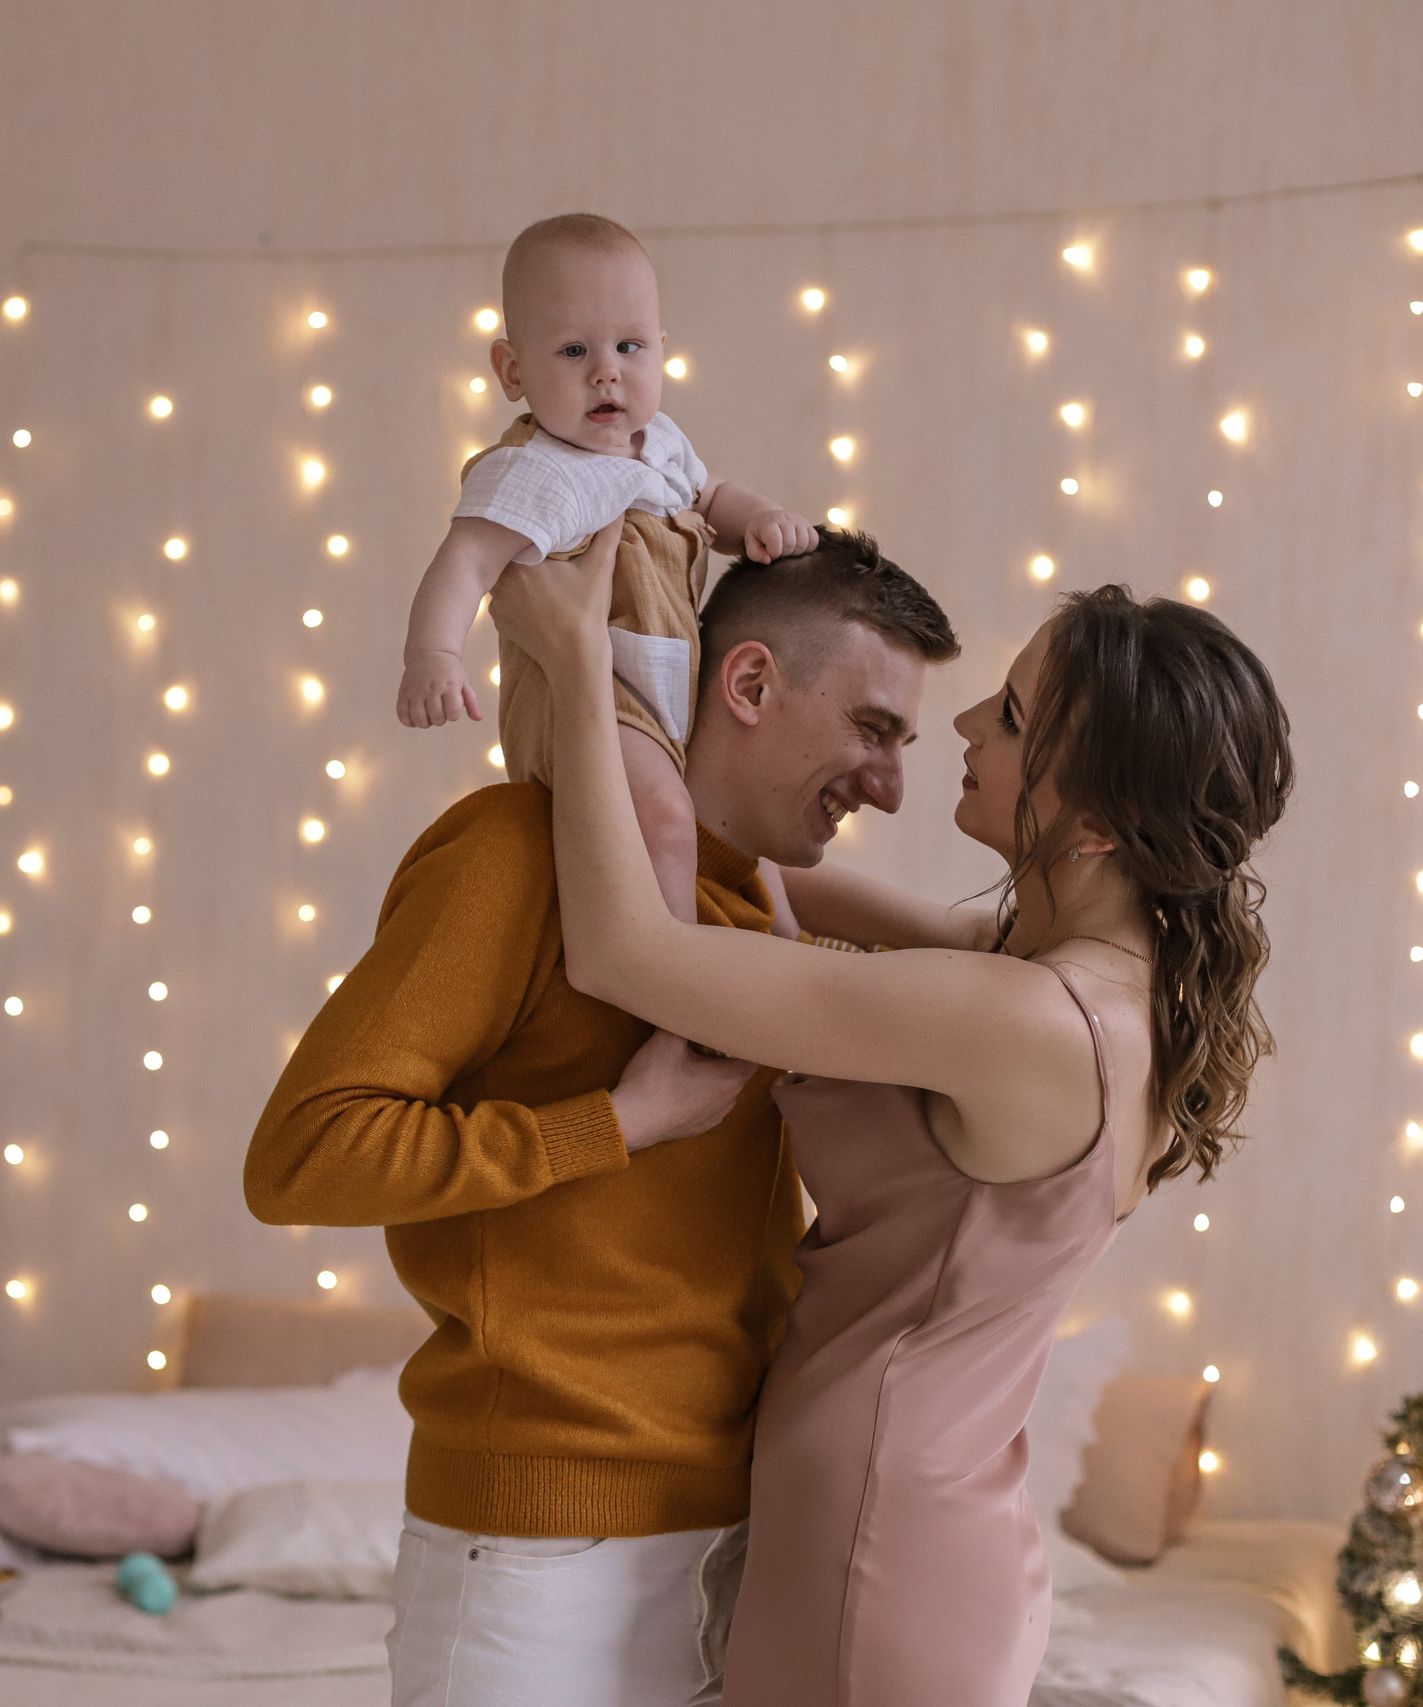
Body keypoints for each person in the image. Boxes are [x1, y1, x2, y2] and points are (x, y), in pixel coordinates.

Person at [490, 529, 1293, 1707]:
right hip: (922, 1527)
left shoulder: (1020, 1018)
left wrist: (569, 658)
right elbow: (759, 873)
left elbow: (624, 952)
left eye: (1013, 718)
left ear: (1104, 824)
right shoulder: (1100, 986)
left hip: (876, 1545)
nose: (962, 727)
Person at [249, 530, 960, 1707]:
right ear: (746, 684)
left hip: (733, 1538)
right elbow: (303, 1156)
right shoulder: (514, 855)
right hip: (538, 1556)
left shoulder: (753, 909)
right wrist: (610, 1126)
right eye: (872, 730)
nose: (888, 784)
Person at [396, 212, 819, 926]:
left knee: (747, 826)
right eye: (572, 350)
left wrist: (762, 520)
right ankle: (678, 999)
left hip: (669, 695)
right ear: (513, 370)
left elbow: (711, 499)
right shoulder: (533, 471)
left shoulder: (660, 444)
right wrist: (433, 655)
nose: (606, 371)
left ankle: (781, 948)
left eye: (628, 346)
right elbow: (464, 561)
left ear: (660, 350)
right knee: (664, 821)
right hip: (589, 702)